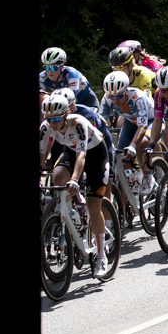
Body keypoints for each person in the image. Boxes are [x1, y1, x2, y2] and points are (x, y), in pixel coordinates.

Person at [39, 91, 113, 276]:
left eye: (56, 119)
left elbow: (82, 156)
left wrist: (74, 180)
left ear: (65, 114)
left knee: (93, 206)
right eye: (49, 119)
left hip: (95, 154)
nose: (52, 123)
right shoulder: (46, 126)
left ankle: (102, 256)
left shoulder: (77, 122)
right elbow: (41, 155)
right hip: (70, 151)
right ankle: (72, 209)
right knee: (57, 177)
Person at [98, 71, 155, 196]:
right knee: (121, 159)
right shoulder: (107, 98)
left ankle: (148, 177)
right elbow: (100, 124)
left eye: (118, 96)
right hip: (131, 121)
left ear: (125, 92)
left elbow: (142, 125)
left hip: (151, 121)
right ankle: (130, 190)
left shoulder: (137, 98)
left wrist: (133, 145)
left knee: (142, 143)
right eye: (111, 96)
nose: (114, 100)